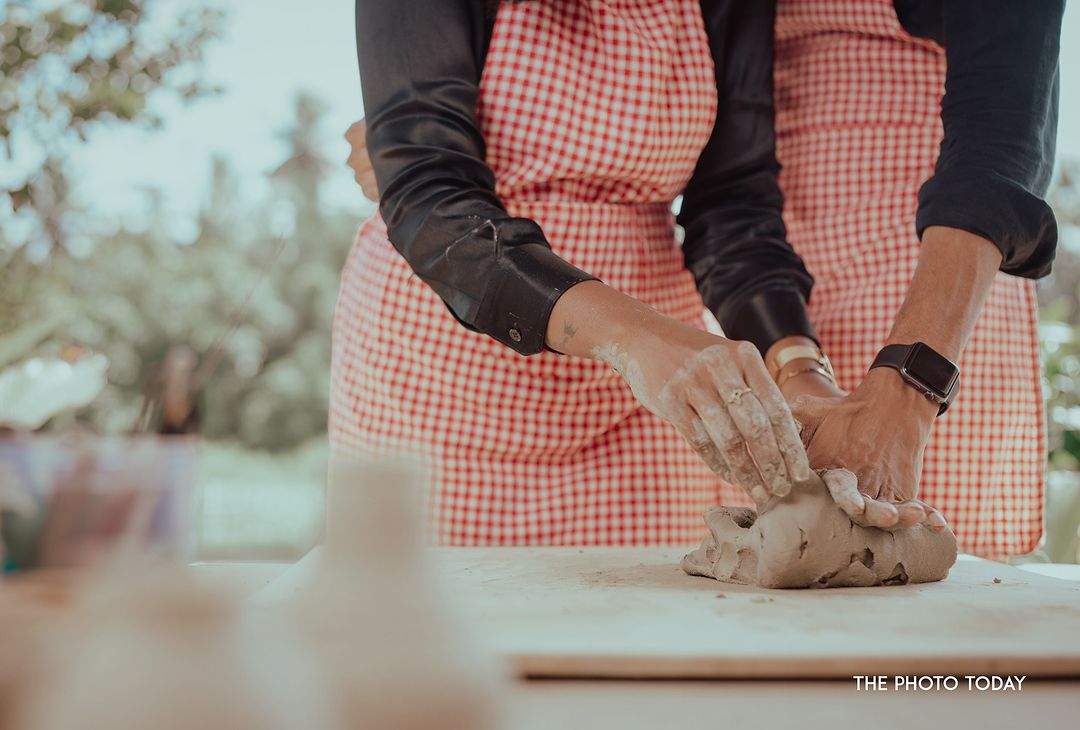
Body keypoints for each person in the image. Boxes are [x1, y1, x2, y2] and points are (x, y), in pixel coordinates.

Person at [340, 0, 1062, 555]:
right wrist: (641, 341)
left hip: (647, 399)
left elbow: (733, 203)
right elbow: (429, 186)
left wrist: (800, 368)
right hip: (452, 363)